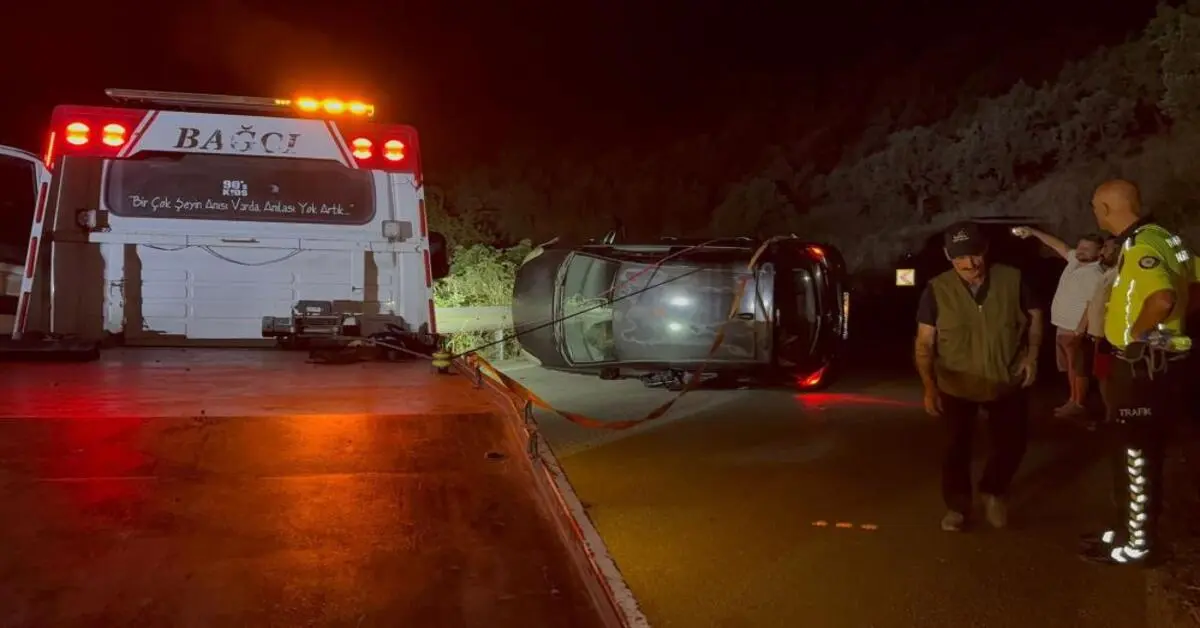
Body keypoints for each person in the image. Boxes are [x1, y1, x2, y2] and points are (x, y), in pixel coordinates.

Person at [1080, 179, 1195, 566]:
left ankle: (1137, 546)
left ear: (1109, 209)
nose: (1095, 215)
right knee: (1134, 451)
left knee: (1135, 456)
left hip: (1141, 367)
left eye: (1096, 208)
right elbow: (1191, 281)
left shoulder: (1141, 246)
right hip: (1157, 364)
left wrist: (1137, 336)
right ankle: (1129, 527)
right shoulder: (1166, 237)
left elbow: (1163, 297)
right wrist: (1176, 327)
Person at [915, 221, 1044, 532]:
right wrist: (929, 387)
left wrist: (1032, 355)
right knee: (955, 448)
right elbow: (924, 343)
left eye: (974, 255)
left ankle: (994, 490)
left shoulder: (1012, 279)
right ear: (948, 255)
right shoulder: (937, 289)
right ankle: (958, 508)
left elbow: (1036, 317)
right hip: (957, 383)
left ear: (984, 250)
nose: (968, 263)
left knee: (1013, 444)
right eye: (960, 257)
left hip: (1005, 379)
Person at [1011, 226, 1107, 418]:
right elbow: (1058, 245)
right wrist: (1033, 232)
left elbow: (1092, 305)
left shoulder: (1095, 274)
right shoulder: (1074, 261)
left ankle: (1078, 403)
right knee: (1069, 367)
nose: (1081, 251)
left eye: (1087, 249)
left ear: (1099, 252)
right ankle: (1073, 400)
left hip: (1075, 329)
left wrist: (1080, 331)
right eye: (1080, 247)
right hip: (1063, 326)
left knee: (1078, 368)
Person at [1082, 236, 1120, 428]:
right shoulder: (1110, 273)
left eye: (1107, 247)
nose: (1103, 251)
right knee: (1102, 375)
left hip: (1108, 336)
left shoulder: (1119, 275)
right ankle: (1110, 414)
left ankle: (1112, 416)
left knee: (1107, 376)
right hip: (1099, 334)